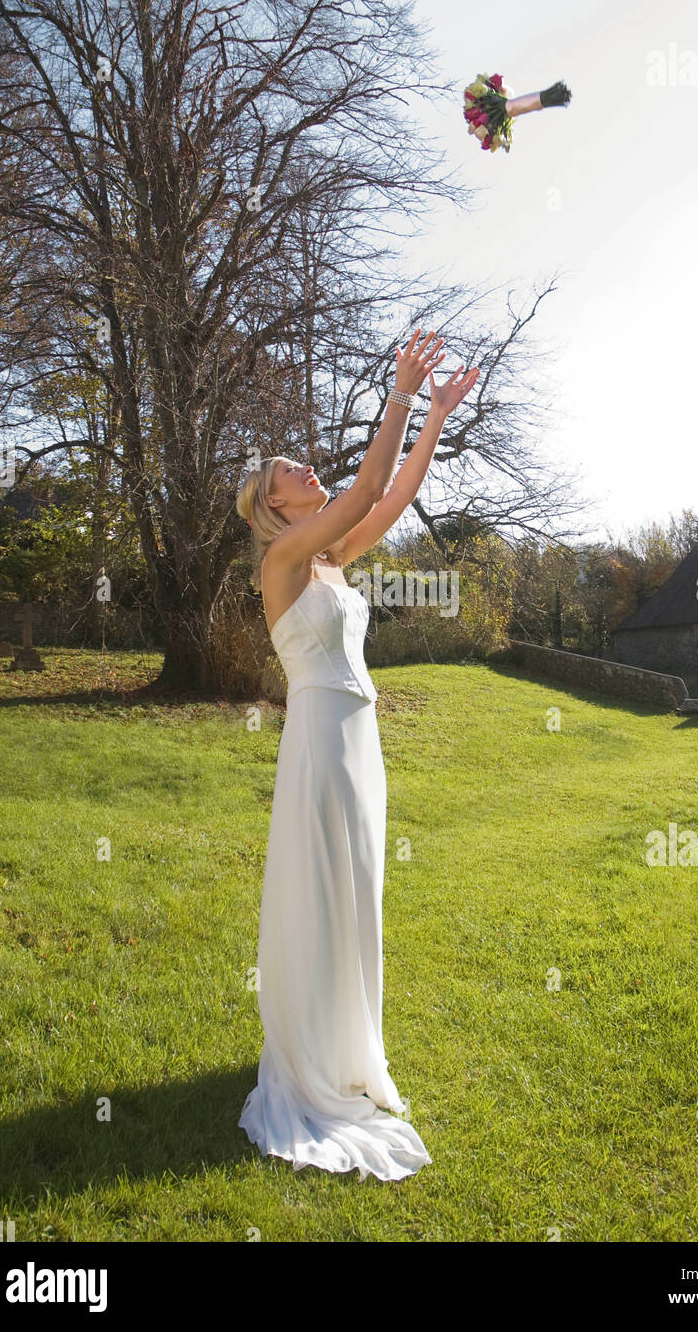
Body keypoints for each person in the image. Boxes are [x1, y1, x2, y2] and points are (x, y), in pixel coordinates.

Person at [235, 328, 479, 1181]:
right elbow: (366, 481)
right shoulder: (284, 559)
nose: (308, 470)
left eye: (302, 465)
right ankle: (309, 1054)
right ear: (277, 508)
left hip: (360, 734)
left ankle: (343, 1042)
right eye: (289, 474)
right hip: (319, 739)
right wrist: (399, 395)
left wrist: (434, 416)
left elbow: (394, 493)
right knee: (325, 887)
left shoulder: (332, 557)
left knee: (358, 888)